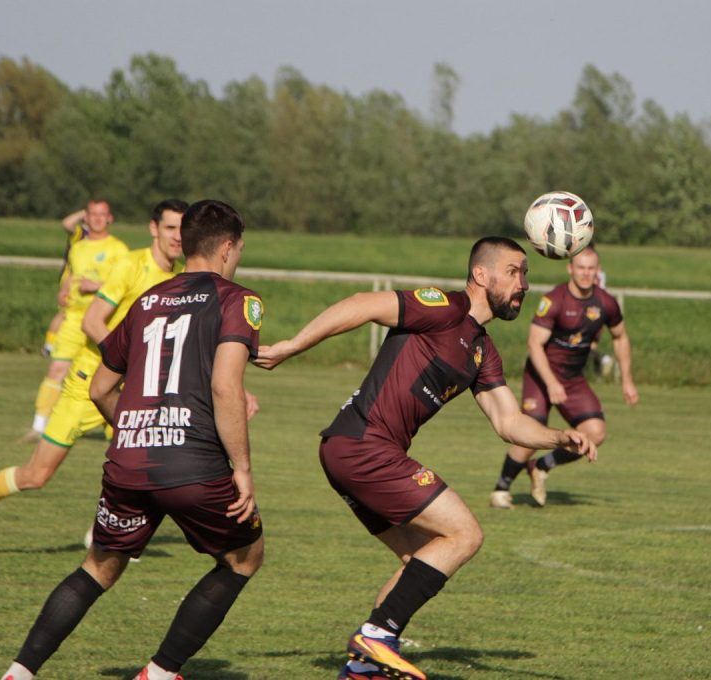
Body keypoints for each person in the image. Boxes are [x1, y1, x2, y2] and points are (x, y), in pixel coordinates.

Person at [255, 237, 596, 680]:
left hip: (350, 450)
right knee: (464, 534)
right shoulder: (444, 308)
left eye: (526, 274)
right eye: (514, 272)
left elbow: (509, 422)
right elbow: (363, 304)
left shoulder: (482, 349)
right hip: (364, 446)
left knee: (422, 560)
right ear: (481, 275)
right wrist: (292, 346)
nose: (524, 284)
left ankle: (361, 669)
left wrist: (558, 438)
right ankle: (376, 637)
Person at [0, 200, 264, 680]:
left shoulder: (148, 300)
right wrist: (242, 469)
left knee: (97, 567)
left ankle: (19, 672)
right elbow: (226, 386)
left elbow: (100, 388)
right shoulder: (237, 300)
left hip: (129, 460)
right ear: (227, 247)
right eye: (239, 248)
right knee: (244, 558)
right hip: (193, 464)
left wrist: (139, 430)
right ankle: (159, 672)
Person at [0, 199, 189, 558]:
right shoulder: (131, 265)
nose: (178, 237)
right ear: (154, 228)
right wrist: (129, 359)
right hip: (89, 384)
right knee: (36, 475)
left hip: (132, 389)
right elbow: (92, 322)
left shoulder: (181, 279)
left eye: (183, 229)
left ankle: (105, 532)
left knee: (148, 464)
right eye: (171, 228)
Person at [490, 246, 638, 510]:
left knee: (595, 432)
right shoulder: (555, 300)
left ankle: (541, 466)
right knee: (531, 435)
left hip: (572, 378)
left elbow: (620, 337)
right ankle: (501, 489)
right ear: (570, 269)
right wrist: (551, 383)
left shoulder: (606, 303)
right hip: (540, 375)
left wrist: (627, 380)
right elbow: (534, 344)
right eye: (581, 268)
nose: (586, 273)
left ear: (598, 271)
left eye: (591, 268)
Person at [22, 199, 128, 442]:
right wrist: (65, 289)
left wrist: (97, 286)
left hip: (102, 321)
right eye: (93, 214)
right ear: (86, 218)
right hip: (74, 319)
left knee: (109, 376)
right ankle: (39, 426)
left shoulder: (118, 249)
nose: (98, 219)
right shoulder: (78, 247)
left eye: (102, 214)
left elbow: (124, 284)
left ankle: (116, 427)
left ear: (110, 218)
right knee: (57, 369)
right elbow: (73, 274)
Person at [40, 208, 91, 358]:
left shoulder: (103, 239)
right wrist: (84, 212)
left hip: (89, 280)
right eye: (93, 215)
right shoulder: (81, 232)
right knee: (65, 312)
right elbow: (67, 223)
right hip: (72, 278)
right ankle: (49, 345)